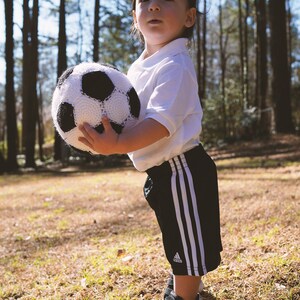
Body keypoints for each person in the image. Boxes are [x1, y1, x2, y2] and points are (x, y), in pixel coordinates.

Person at [78, 0, 222, 299]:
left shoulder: (175, 65)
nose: (154, 7)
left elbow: (160, 124)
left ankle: (184, 296)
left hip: (182, 168)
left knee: (188, 243)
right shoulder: (140, 65)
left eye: (167, 0)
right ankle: (186, 288)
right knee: (177, 234)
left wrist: (117, 144)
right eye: (146, 1)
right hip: (161, 171)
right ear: (134, 17)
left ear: (189, 17)